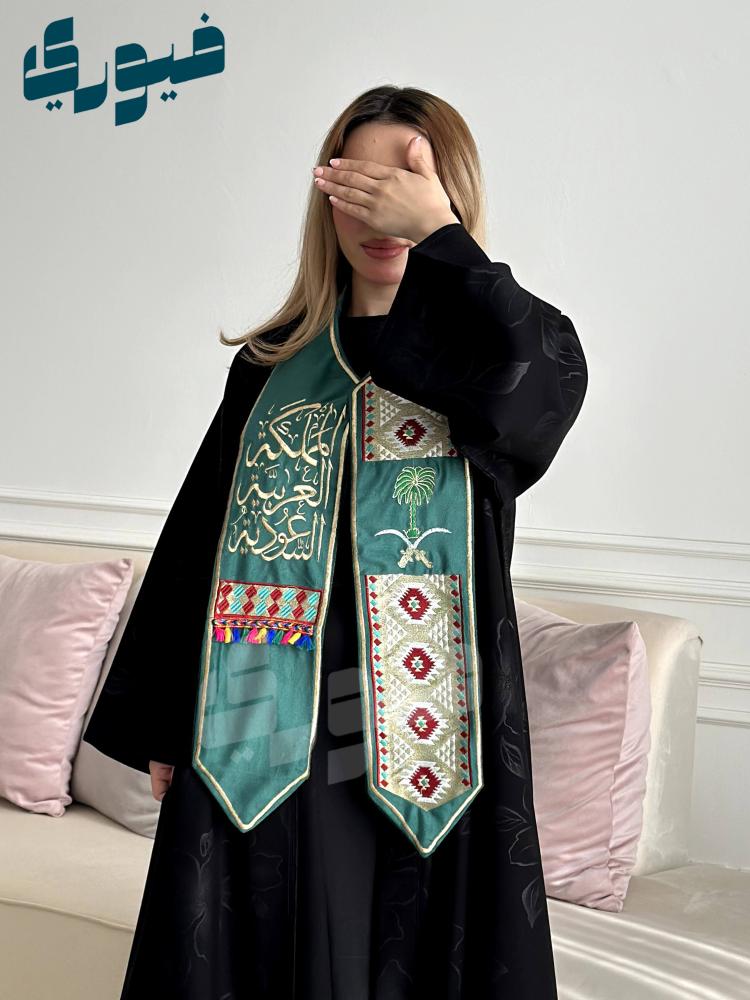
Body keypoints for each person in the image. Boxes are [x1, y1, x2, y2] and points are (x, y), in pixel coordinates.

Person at [83, 84, 588, 999]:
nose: (380, 211)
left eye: (407, 186)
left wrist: (440, 241)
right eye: (361, 185)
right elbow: (201, 530)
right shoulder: (274, 362)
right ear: (328, 197)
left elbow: (532, 401)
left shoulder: (494, 352)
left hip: (433, 724)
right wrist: (164, 719)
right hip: (266, 718)